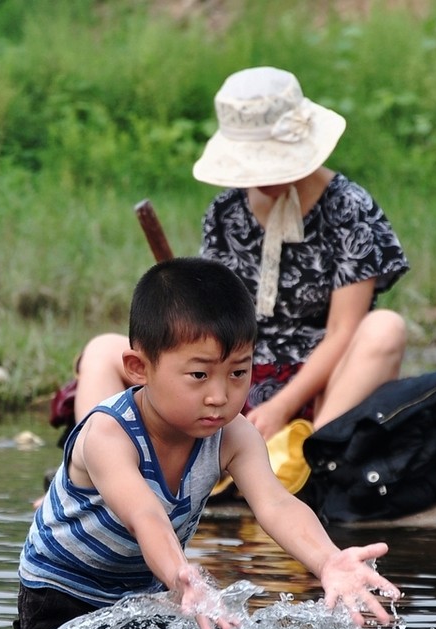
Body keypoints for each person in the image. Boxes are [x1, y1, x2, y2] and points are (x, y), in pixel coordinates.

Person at [17, 257, 402, 629]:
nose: (220, 396)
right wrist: (182, 575)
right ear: (139, 368)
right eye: (198, 375)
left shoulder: (231, 435)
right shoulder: (108, 434)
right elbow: (145, 515)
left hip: (143, 589)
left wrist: (328, 559)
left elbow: (275, 504)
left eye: (238, 373)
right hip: (62, 594)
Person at [74, 66, 409, 443]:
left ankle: (314, 462)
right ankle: (93, 474)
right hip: (231, 374)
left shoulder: (349, 208)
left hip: (320, 383)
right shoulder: (226, 211)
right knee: (103, 350)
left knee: (385, 328)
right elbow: (213, 319)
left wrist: (282, 405)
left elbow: (343, 332)